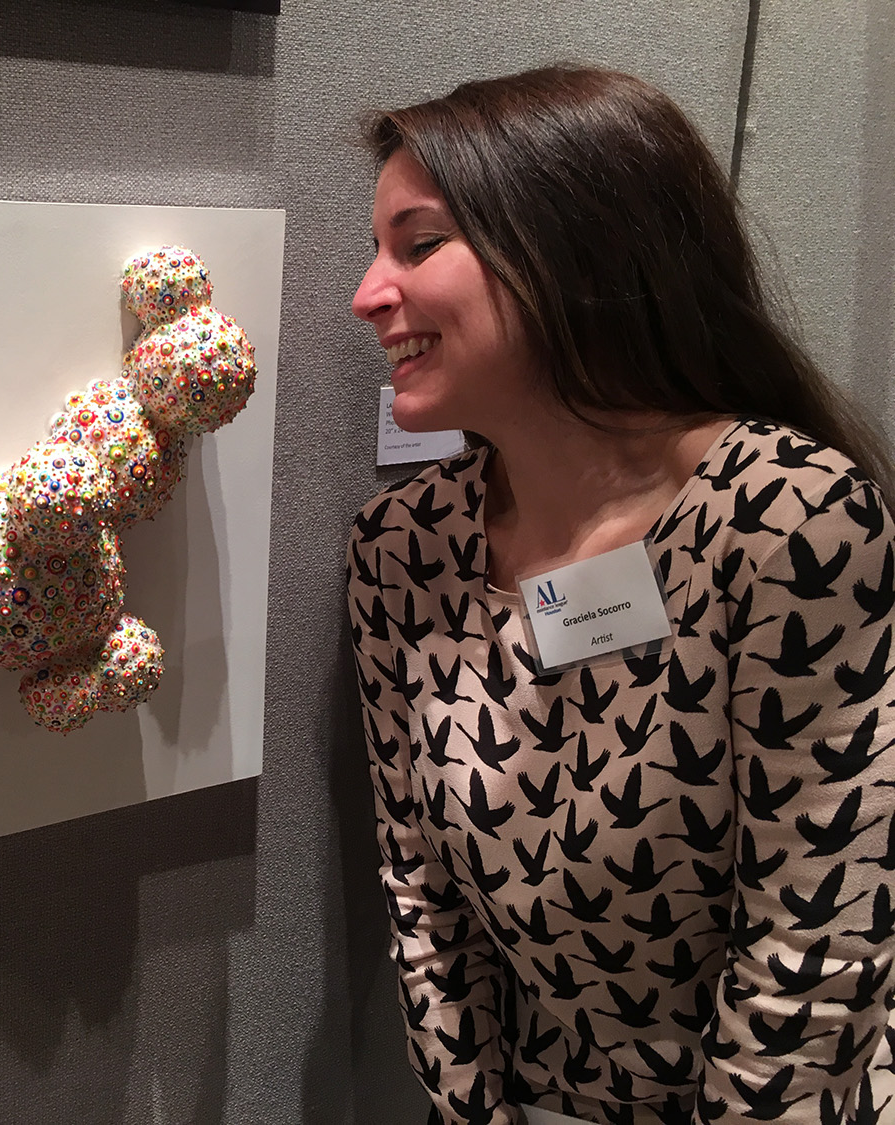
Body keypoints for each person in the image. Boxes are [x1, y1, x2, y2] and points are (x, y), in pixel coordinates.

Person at [346, 66, 895, 1125]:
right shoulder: (401, 550)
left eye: (419, 245)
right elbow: (422, 899)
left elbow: (813, 949)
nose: (368, 295)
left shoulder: (784, 521)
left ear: (572, 247)